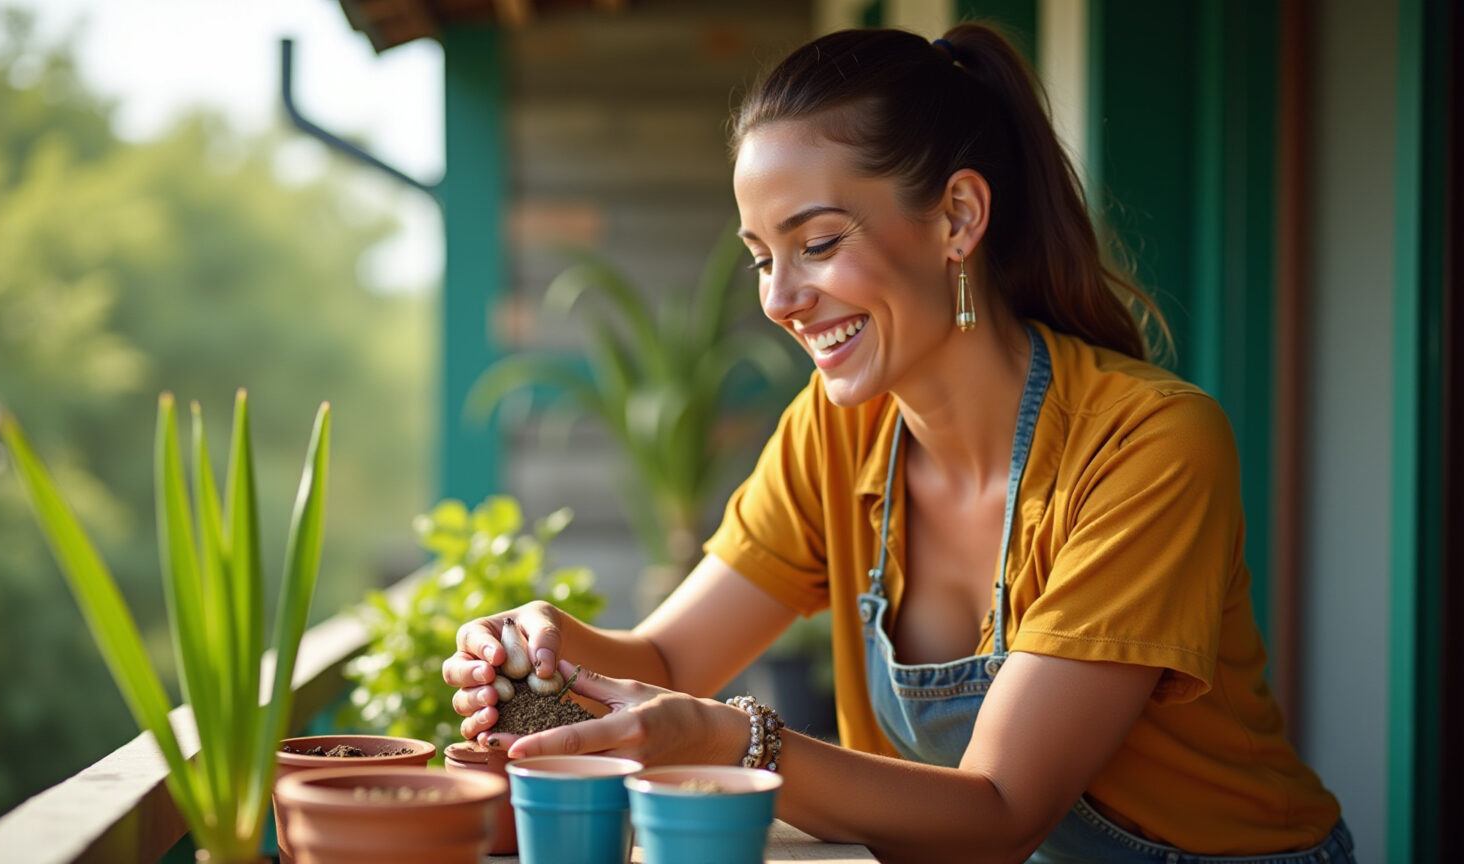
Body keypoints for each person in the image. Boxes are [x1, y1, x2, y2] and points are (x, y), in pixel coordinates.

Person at [441, 25, 1352, 864]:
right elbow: (675, 663)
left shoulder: (1148, 447)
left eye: (820, 242)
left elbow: (998, 811)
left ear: (958, 217)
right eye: (763, 256)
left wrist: (730, 740)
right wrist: (555, 654)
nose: (779, 299)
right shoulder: (838, 432)